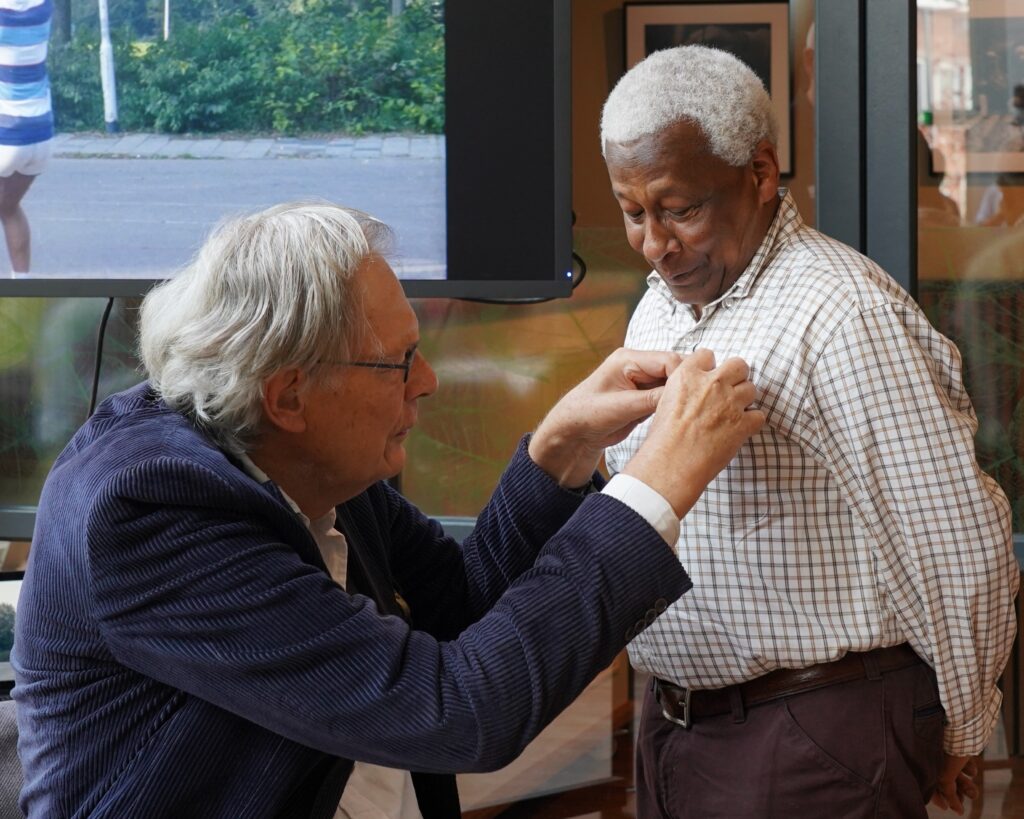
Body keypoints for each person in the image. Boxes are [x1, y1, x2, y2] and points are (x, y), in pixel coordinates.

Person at [11, 200, 764, 818]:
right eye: (399, 361)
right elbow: (458, 708)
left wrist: (559, 450)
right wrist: (654, 488)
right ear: (290, 394)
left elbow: (459, 611)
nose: (428, 379)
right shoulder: (148, 510)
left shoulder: (296, 449)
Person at [599, 45, 1019, 818]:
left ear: (760, 174)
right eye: (633, 212)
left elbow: (959, 543)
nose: (654, 244)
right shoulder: (663, 303)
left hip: (811, 739)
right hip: (678, 727)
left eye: (679, 208)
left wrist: (962, 725)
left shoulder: (843, 314)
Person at [0, 0, 54, 276]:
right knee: (8, 208)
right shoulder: (43, 9)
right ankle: (21, 286)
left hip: (6, 134)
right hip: (40, 135)